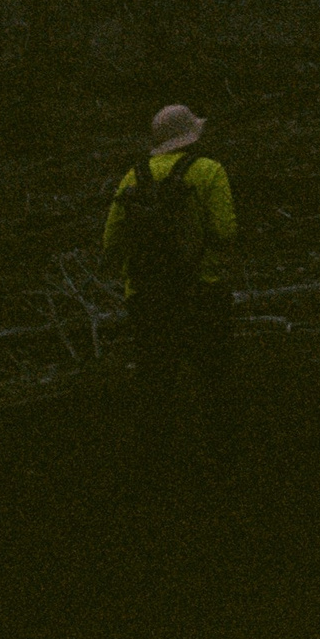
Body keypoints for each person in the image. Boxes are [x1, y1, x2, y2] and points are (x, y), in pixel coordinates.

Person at [101, 104, 239, 438]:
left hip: (147, 295)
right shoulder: (209, 170)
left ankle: (154, 455)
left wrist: (132, 274)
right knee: (213, 377)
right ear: (191, 135)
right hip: (202, 291)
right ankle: (221, 448)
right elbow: (225, 231)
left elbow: (110, 241)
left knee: (155, 379)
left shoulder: (133, 176)